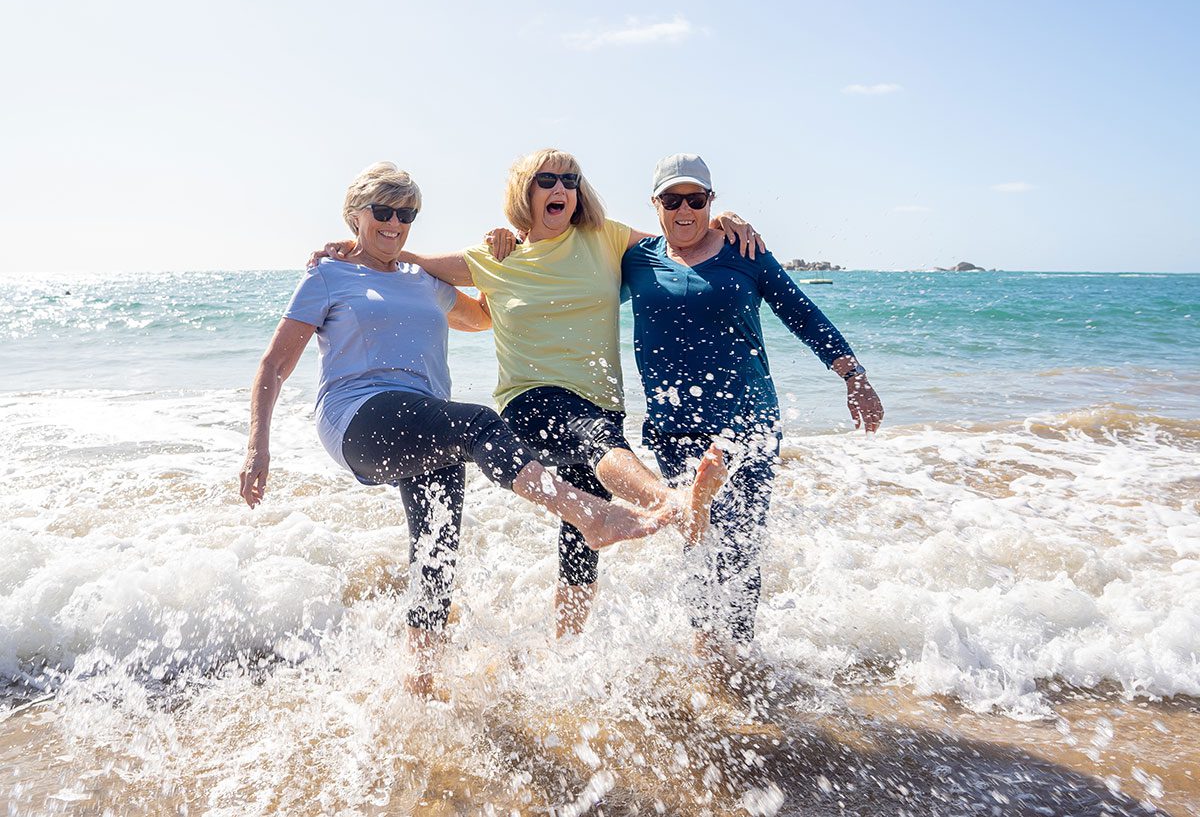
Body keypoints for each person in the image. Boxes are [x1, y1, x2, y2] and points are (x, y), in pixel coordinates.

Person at [243, 162, 724, 697]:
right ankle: (593, 515)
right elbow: (274, 365)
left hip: (426, 423)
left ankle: (418, 679)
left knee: (436, 546)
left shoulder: (421, 279)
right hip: (357, 415)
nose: (395, 223)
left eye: (406, 214)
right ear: (355, 215)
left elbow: (483, 316)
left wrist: (508, 250)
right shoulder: (328, 274)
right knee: (478, 424)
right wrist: (257, 447)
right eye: (383, 212)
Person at [338, 150, 763, 637]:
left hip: (600, 400)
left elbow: (682, 242)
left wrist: (720, 221)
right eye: (547, 180)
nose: (560, 188)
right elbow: (405, 258)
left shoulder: (607, 238)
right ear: (526, 191)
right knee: (596, 441)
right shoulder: (495, 257)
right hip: (531, 401)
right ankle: (673, 503)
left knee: (583, 535)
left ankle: (567, 645)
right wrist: (355, 244)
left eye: (570, 180)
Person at [621, 153, 885, 666]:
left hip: (746, 418)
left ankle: (738, 657)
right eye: (672, 200)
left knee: (740, 542)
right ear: (655, 205)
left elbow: (800, 312)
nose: (684, 210)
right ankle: (708, 658)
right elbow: (570, 267)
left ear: (710, 201)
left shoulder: (746, 252)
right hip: (675, 426)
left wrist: (854, 376)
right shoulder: (636, 259)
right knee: (698, 539)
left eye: (696, 200)